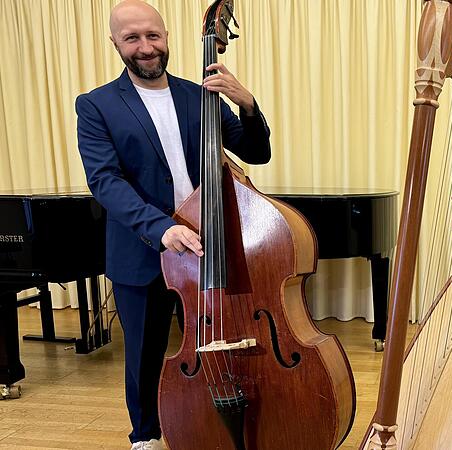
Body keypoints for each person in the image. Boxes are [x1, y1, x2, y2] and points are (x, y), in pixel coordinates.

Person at [75, 1, 271, 449]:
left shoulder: (199, 95)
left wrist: (248, 104)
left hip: (209, 246)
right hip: (144, 250)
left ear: (166, 36)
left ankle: (210, 424)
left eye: (153, 36)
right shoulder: (96, 106)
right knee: (144, 356)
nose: (145, 47)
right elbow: (105, 180)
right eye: (132, 38)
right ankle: (145, 437)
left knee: (218, 344)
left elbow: (256, 152)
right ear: (115, 43)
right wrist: (162, 227)